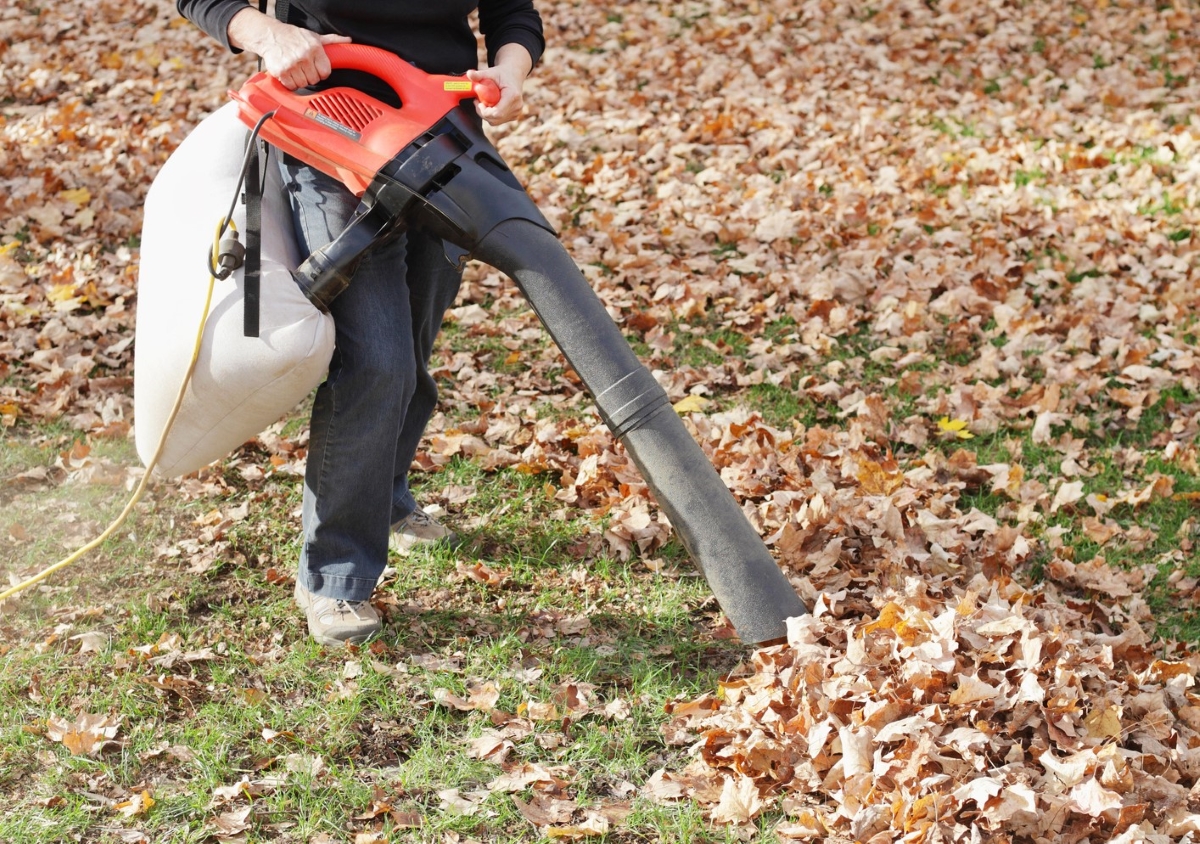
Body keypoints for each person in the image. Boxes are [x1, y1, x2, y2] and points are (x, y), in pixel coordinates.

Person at [175, 0, 545, 646]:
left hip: (441, 130)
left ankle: (388, 492)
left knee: (414, 338)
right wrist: (269, 34)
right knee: (378, 360)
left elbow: (514, 14)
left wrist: (511, 71)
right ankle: (334, 575)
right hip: (327, 124)